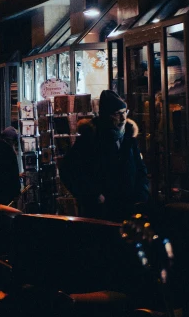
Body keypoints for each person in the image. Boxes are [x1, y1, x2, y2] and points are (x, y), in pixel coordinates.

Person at [59, 90, 149, 222]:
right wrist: (92, 195)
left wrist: (142, 194)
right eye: (117, 114)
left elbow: (141, 170)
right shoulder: (90, 139)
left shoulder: (129, 138)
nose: (123, 118)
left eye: (124, 113)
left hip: (129, 210)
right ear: (106, 116)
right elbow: (67, 170)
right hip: (101, 214)